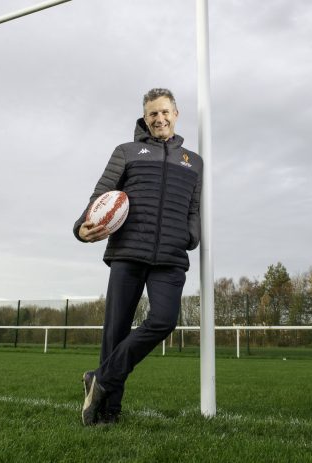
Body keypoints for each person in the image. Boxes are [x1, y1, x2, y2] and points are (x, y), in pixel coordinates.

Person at [73, 88, 203, 425]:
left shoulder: (193, 162)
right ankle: (108, 412)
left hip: (170, 257)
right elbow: (101, 195)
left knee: (164, 320)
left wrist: (191, 236)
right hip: (128, 251)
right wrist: (80, 226)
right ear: (145, 119)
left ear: (176, 114)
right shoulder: (127, 152)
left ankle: (100, 378)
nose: (159, 119)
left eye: (164, 112)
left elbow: (194, 207)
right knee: (115, 332)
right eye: (152, 114)